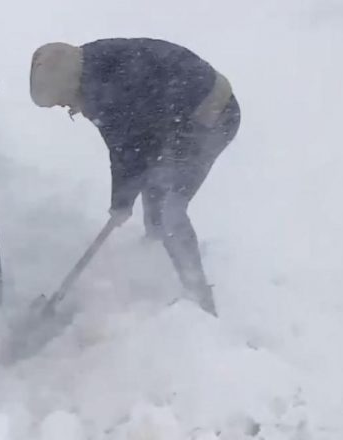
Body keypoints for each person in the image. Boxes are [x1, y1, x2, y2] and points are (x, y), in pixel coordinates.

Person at [29, 38, 241, 316]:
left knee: (169, 207)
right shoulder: (90, 69)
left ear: (69, 84)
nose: (65, 107)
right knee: (154, 185)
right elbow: (128, 148)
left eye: (61, 100)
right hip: (175, 119)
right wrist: (123, 200)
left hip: (211, 115)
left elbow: (129, 149)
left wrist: (121, 203)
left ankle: (199, 296)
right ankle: (154, 253)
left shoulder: (108, 88)